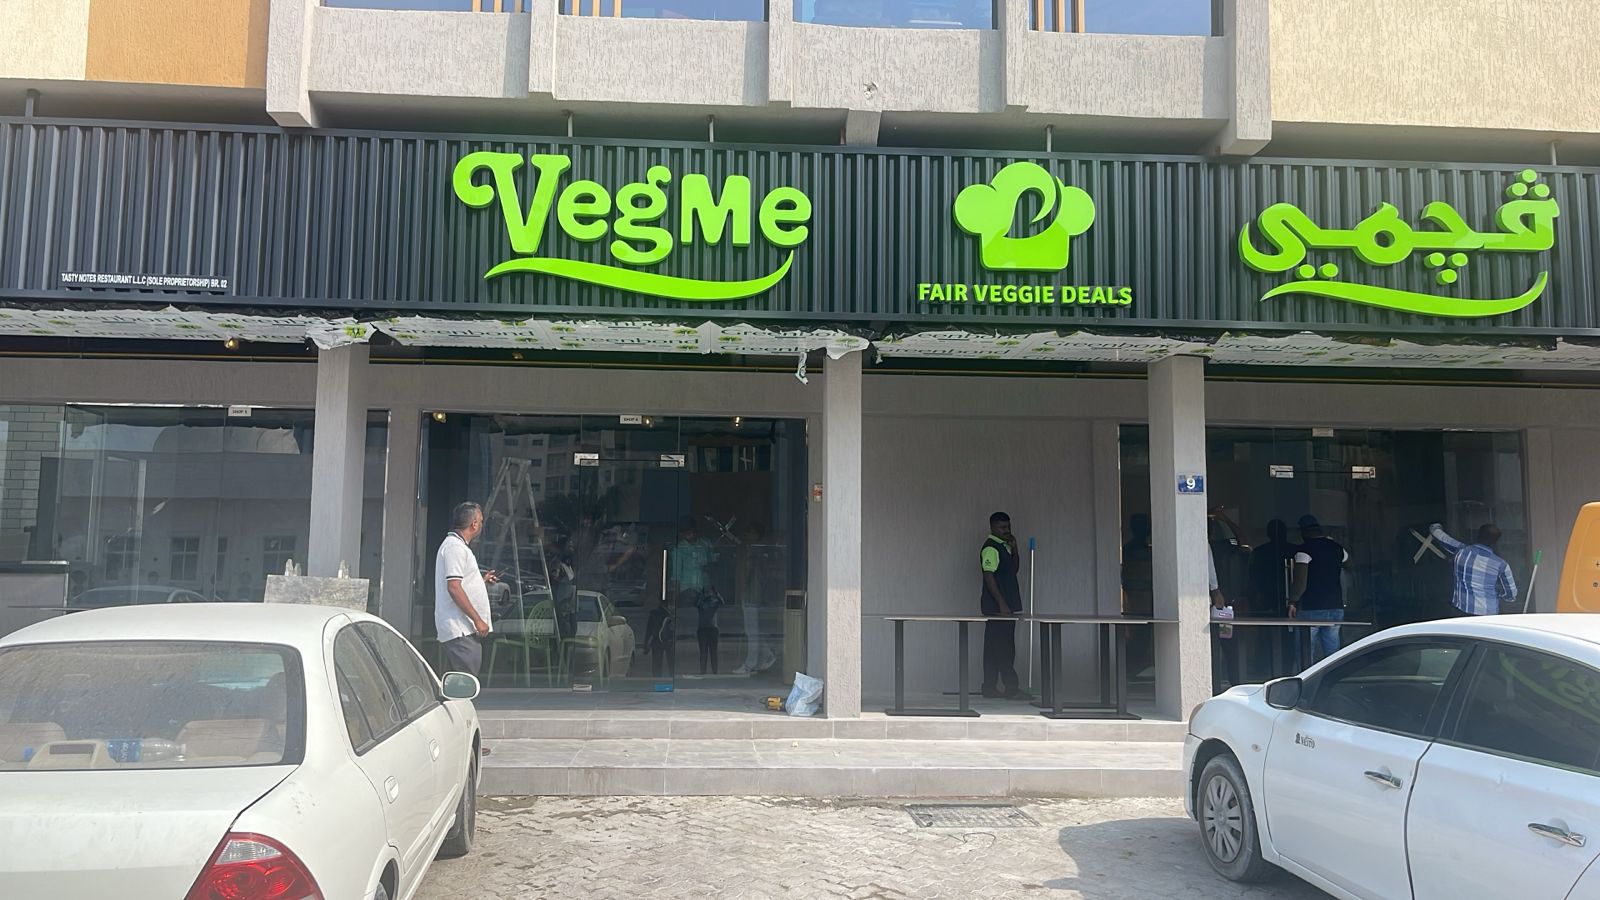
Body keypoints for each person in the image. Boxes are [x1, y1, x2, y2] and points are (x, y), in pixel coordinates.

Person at [435, 501, 498, 676]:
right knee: (466, 679)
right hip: (460, 627)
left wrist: (481, 581)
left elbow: (460, 584)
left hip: (463, 628)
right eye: (481, 521)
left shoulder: (458, 546)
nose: (482, 525)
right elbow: (454, 588)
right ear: (474, 524)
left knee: (459, 680)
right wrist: (478, 619)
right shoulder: (455, 547)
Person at [1288, 515, 1348, 662]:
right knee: (1333, 654)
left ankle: (1307, 677)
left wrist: (1293, 601)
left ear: (1303, 532)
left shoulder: (1304, 550)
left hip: (1312, 608)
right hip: (1335, 606)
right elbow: (1348, 565)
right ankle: (1333, 675)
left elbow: (1300, 582)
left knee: (1306, 653)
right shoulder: (1337, 547)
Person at [979, 512, 1025, 700]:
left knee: (993, 648)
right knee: (1004, 648)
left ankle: (989, 687)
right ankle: (1011, 688)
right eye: (1002, 527)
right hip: (998, 607)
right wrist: (1001, 602)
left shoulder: (1005, 546)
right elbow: (988, 575)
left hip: (1005, 606)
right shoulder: (991, 548)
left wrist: (1015, 550)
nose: (1006, 530)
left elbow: (1013, 571)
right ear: (992, 527)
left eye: (1008, 527)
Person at [1429, 522, 1517, 616]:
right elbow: (1510, 595)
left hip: (1461, 611)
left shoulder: (1461, 551)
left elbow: (1442, 538)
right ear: (1495, 542)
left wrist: (1436, 527)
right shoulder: (1502, 565)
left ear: (1478, 535)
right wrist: (1497, 593)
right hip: (1487, 615)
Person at [1246, 519, 1297, 677]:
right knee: (1288, 636)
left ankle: (1262, 670)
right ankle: (1287, 671)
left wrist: (1257, 595)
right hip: (1287, 599)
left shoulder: (1259, 552)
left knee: (1265, 636)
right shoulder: (1294, 550)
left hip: (1268, 598)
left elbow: (1252, 577)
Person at [696, 588, 725, 674]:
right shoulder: (701, 602)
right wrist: (702, 595)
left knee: (712, 652)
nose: (708, 594)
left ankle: (714, 671)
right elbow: (697, 603)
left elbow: (722, 603)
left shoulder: (714, 602)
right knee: (704, 652)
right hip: (703, 629)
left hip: (712, 629)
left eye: (709, 592)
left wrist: (717, 594)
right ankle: (703, 671)